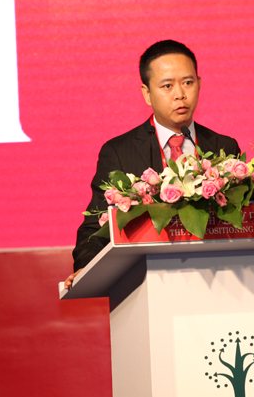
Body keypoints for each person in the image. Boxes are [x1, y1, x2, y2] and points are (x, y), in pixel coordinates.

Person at [64, 40, 241, 289]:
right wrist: (86, 265)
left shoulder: (224, 146)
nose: (180, 94)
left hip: (219, 279)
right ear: (147, 93)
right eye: (167, 86)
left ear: (199, 84)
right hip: (147, 282)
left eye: (188, 83)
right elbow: (97, 225)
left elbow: (243, 217)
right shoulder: (119, 152)